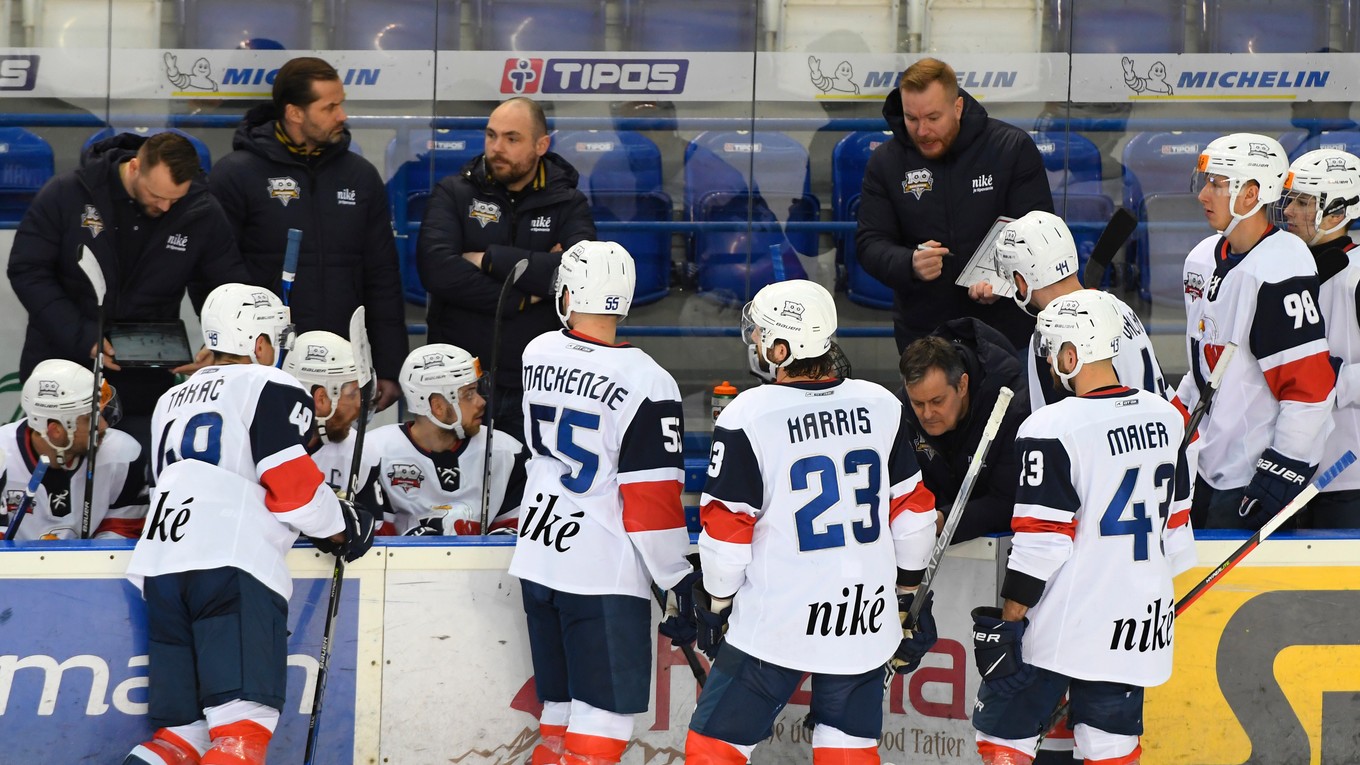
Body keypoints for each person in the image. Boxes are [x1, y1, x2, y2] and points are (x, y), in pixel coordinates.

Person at [684, 279, 939, 765]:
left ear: (783, 347)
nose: (755, 343)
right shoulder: (881, 404)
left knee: (712, 750)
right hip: (863, 620)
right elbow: (914, 519)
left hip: (777, 619)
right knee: (849, 751)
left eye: (761, 335)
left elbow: (725, 535)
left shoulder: (748, 414)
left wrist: (716, 604)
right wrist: (905, 599)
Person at [123, 283, 376, 765]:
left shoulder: (169, 401)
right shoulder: (271, 384)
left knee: (181, 737)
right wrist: (342, 524)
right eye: (277, 338)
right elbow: (293, 490)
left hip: (160, 568)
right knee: (240, 733)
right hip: (229, 566)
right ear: (259, 343)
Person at [970, 290, 1196, 765]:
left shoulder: (1050, 427)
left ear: (1070, 355)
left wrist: (1010, 623)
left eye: (1053, 354)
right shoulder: (1168, 418)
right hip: (1138, 625)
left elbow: (1040, 547)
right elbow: (1175, 537)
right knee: (1110, 748)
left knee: (1002, 739)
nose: (1051, 366)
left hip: (1060, 625)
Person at [508, 241, 693, 765]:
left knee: (561, 709)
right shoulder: (648, 381)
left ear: (568, 294)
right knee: (603, 719)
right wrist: (677, 577)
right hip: (601, 568)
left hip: (540, 552)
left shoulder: (537, 351)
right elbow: (650, 501)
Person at [7, 131, 248, 447]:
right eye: (156, 194)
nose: (164, 207)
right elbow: (27, 270)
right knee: (56, 480)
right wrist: (84, 337)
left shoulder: (200, 210)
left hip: (145, 385)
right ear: (134, 167)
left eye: (174, 199)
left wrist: (222, 344)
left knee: (135, 479)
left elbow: (226, 287)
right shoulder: (68, 194)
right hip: (61, 370)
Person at [208, 56, 406, 411]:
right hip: (265, 367)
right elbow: (218, 276)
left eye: (341, 103)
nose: (342, 115)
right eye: (330, 106)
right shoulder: (235, 174)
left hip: (343, 367)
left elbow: (382, 275)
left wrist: (389, 365)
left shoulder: (360, 176)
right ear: (295, 113)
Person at [1179, 133, 1337, 530]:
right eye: (1207, 183)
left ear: (1252, 194)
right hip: (1203, 465)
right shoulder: (1201, 258)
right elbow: (1202, 365)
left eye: (1217, 184)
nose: (1204, 196)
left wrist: (1282, 469)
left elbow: (1309, 388)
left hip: (1249, 476)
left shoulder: (1282, 264)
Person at [416, 96, 596, 441]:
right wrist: (522, 296)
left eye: (512, 139)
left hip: (537, 382)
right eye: (491, 135)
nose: (497, 148)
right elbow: (437, 270)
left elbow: (579, 274)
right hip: (459, 384)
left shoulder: (569, 203)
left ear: (541, 145)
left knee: (526, 490)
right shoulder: (454, 193)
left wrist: (487, 258)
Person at [855, 57, 1054, 354]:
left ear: (957, 108)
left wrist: (1001, 281)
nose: (922, 131)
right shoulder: (886, 161)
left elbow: (1040, 232)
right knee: (929, 404)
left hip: (1005, 328)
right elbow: (870, 242)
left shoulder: (1011, 148)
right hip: (924, 332)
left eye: (933, 118)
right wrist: (909, 262)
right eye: (911, 118)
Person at [994, 210, 1168, 410]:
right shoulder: (1120, 308)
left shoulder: (1051, 334)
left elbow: (1049, 430)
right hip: (1158, 431)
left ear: (1021, 282)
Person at [361, 343, 529, 536]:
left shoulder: (507, 452)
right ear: (438, 406)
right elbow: (375, 543)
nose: (481, 402)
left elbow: (518, 532)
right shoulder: (376, 453)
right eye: (468, 394)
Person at [1278, 149, 1360, 527]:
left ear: (1339, 212)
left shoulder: (1356, 276)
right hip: (1291, 469)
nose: (1290, 210)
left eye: (1304, 201)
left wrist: (1325, 381)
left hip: (1348, 475)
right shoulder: (1284, 269)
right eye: (1290, 199)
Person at [899, 318, 1029, 544]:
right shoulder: (901, 408)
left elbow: (1008, 502)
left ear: (962, 385)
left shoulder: (1013, 408)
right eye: (918, 404)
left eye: (937, 401)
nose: (927, 414)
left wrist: (941, 520)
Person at [0, 359, 145, 540]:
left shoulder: (123, 455)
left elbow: (122, 535)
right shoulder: (2, 455)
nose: (104, 425)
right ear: (56, 430)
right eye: (90, 419)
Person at [281, 330, 364, 494]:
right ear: (321, 398)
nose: (358, 405)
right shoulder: (257, 445)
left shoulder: (361, 451)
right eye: (353, 394)